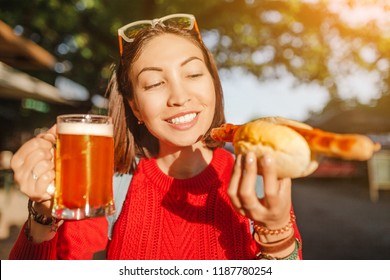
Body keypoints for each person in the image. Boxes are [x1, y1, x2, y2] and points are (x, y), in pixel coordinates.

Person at [9, 13, 302, 260]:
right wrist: (44, 214)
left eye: (193, 74)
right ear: (135, 106)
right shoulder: (108, 186)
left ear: (213, 84)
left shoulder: (258, 179)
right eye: (155, 83)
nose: (179, 96)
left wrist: (276, 231)